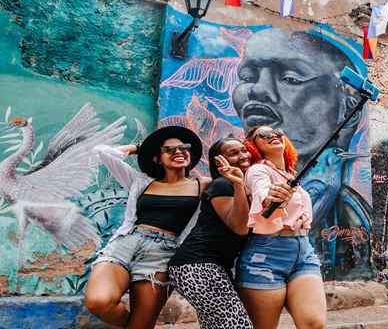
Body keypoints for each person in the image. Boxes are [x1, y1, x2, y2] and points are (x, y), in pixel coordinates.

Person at [231, 28, 373, 280]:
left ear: (347, 108)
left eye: (291, 78)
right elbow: (262, 190)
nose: (257, 90)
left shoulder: (349, 209)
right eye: (248, 76)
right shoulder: (252, 174)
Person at [84, 126, 209, 329]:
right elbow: (102, 152)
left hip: (162, 255)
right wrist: (140, 147)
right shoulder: (141, 182)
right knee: (98, 302)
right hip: (125, 244)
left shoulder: (202, 184)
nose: (178, 151)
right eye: (169, 149)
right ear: (157, 158)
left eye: (183, 147)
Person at [235, 126, 326, 329]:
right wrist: (270, 197)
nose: (273, 135)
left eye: (277, 132)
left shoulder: (290, 174)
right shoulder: (257, 170)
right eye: (264, 135)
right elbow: (262, 191)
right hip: (266, 254)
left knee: (314, 323)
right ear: (253, 145)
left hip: (303, 250)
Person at [167, 137, 254, 329]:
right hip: (198, 267)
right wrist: (238, 184)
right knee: (238, 326)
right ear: (219, 162)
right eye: (233, 153)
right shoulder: (222, 185)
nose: (242, 156)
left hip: (206, 266)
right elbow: (239, 227)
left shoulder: (243, 188)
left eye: (243, 150)